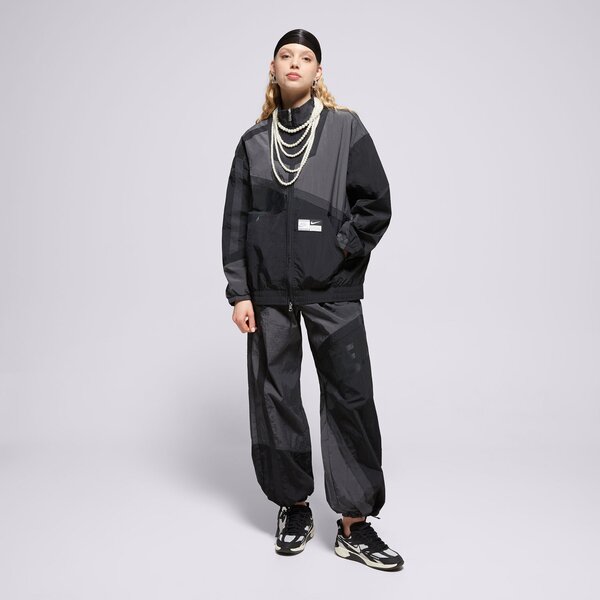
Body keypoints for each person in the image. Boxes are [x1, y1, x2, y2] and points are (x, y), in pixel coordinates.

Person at [221, 28, 404, 572]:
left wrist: (341, 248)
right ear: (273, 69)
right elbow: (234, 222)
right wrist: (239, 291)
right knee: (275, 396)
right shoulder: (254, 142)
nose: (295, 63)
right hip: (267, 295)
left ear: (318, 71)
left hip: (333, 290)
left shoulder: (345, 128)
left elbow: (376, 203)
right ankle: (294, 507)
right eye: (286, 56)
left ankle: (354, 523)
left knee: (349, 396)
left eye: (306, 57)